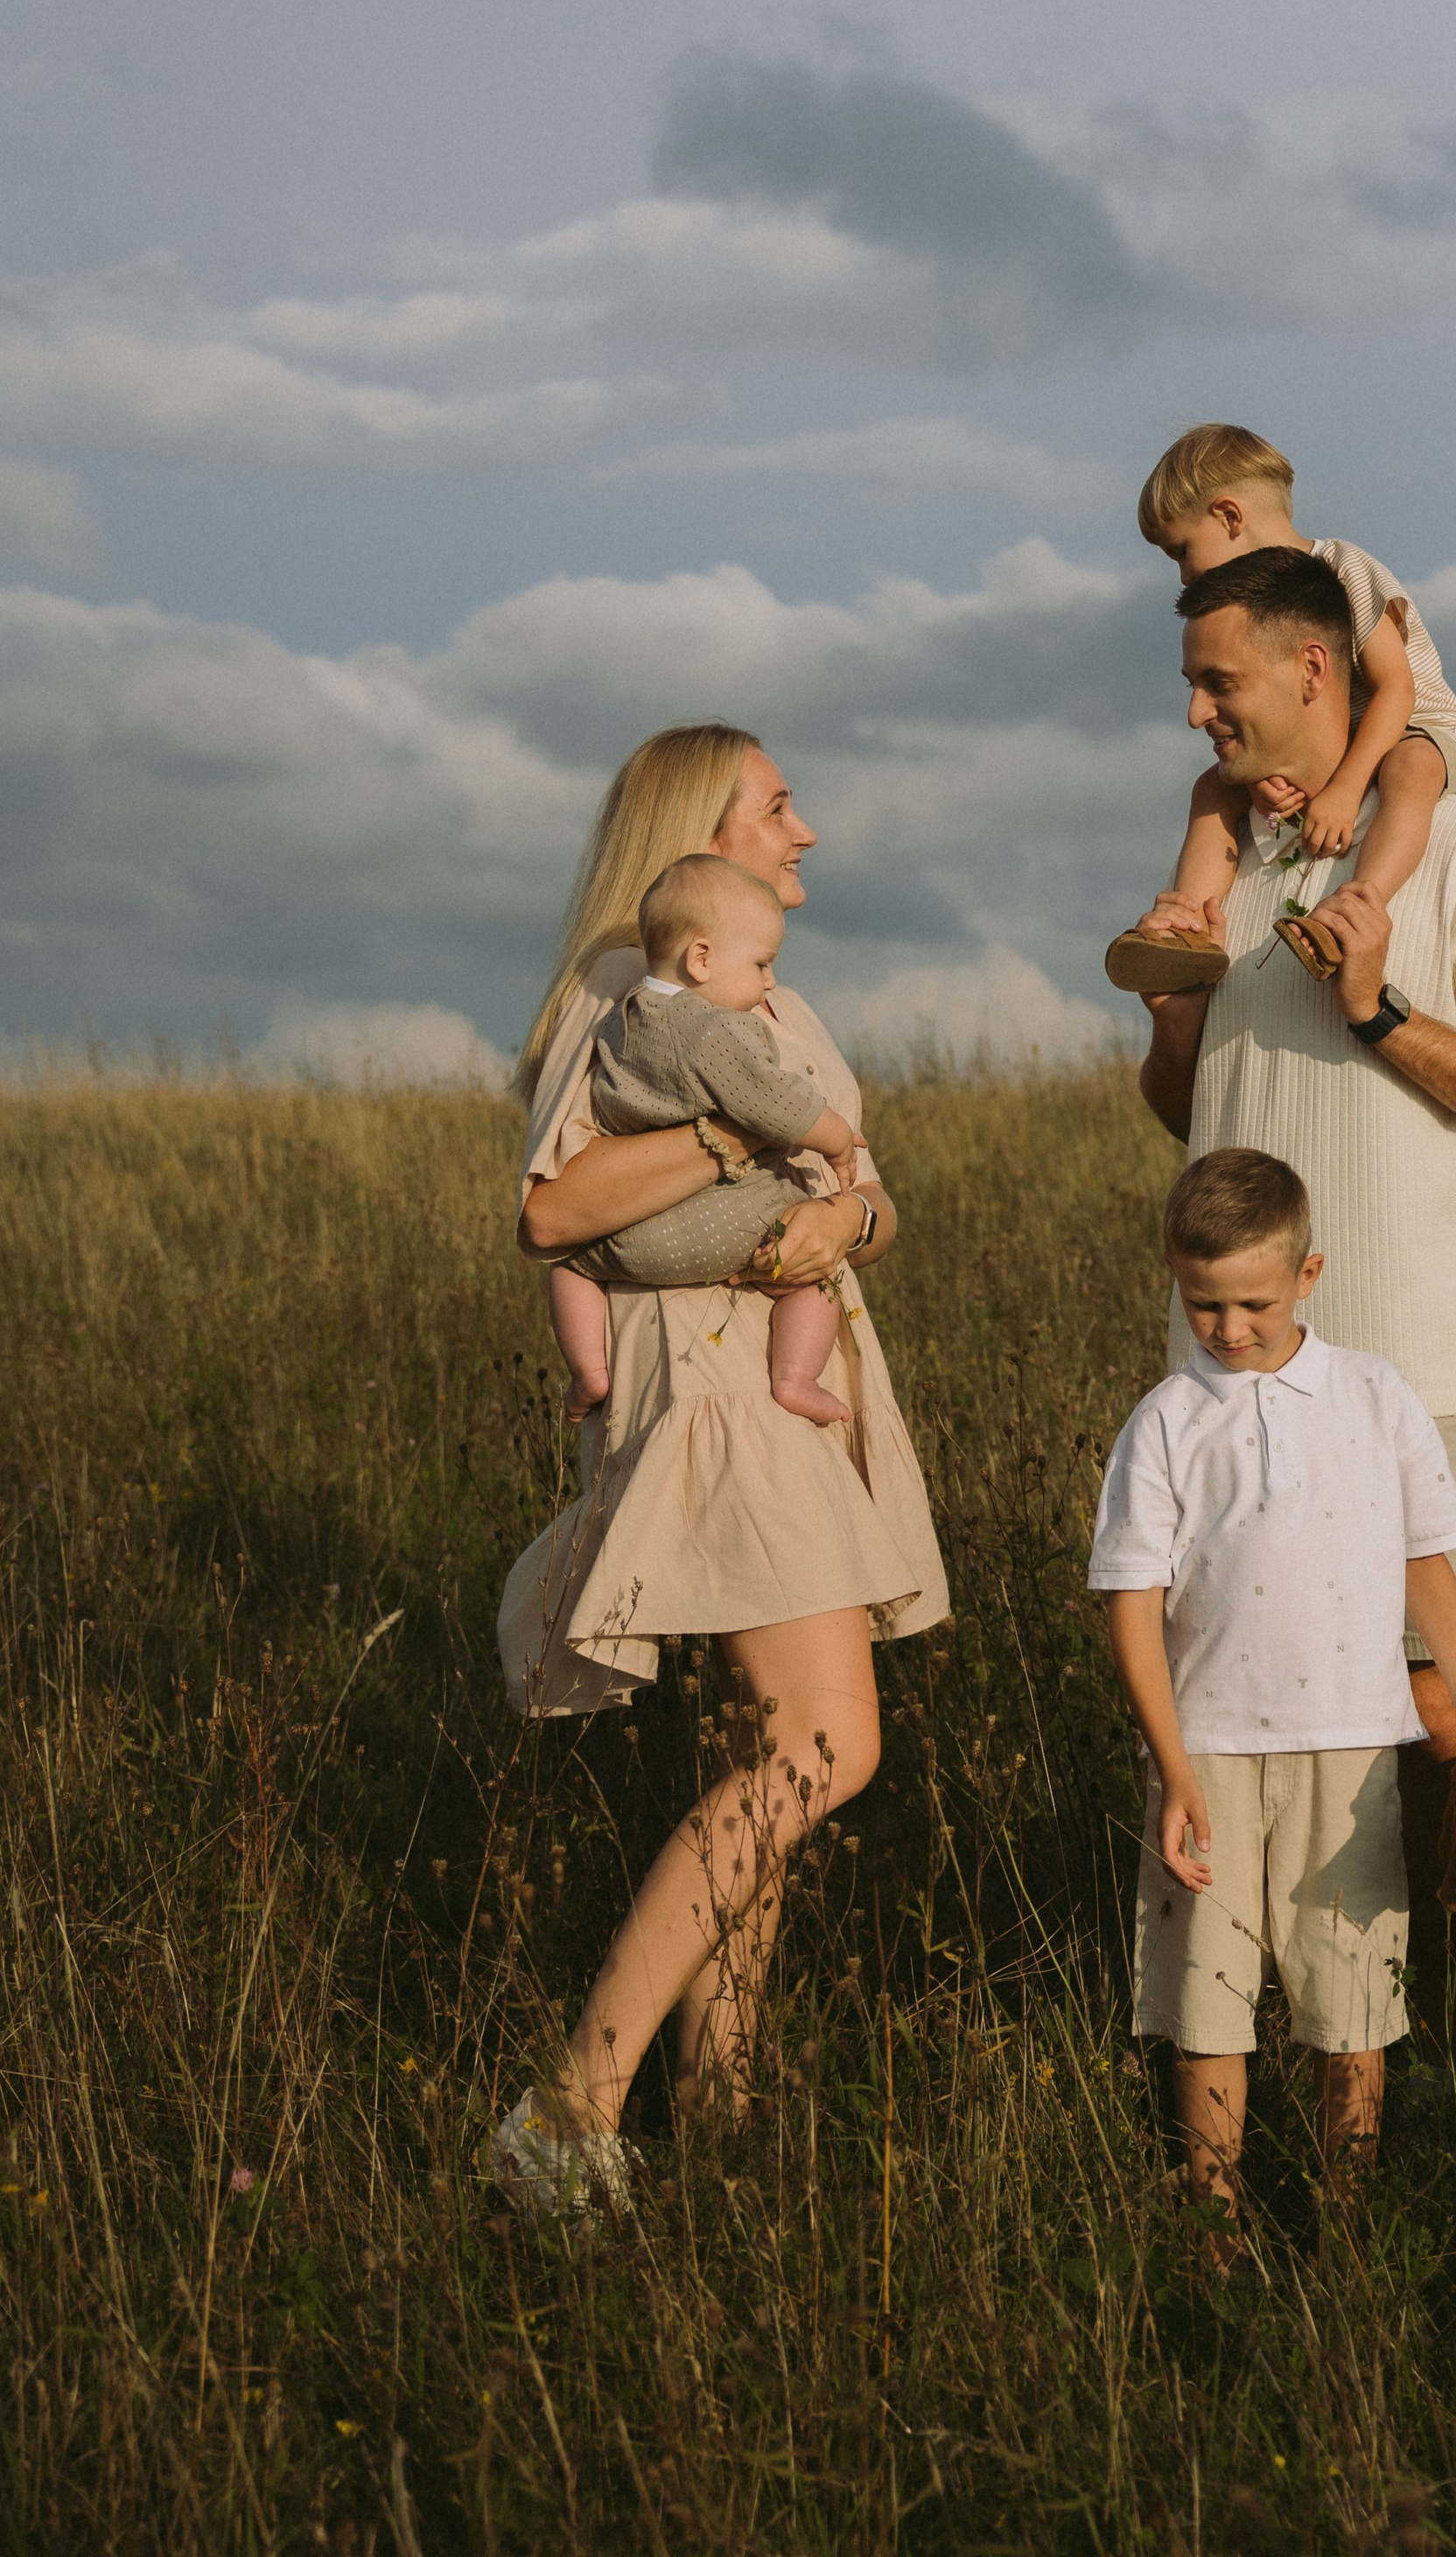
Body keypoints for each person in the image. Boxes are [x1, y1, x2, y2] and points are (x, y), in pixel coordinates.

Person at [1127, 547, 1456, 2048]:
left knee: (1417, 1740)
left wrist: (1380, 1010)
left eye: (1222, 680)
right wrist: (1173, 1007)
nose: (1198, 709)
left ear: (1317, 669)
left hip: (1411, 1377)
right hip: (1232, 1389)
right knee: (1239, 1720)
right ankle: (1249, 2060)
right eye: (1194, 684)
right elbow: (1203, 1114)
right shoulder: (1241, 869)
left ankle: (1446, 2057)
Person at [486, 721, 950, 2217]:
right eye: (778, 806)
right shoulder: (634, 997)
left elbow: (867, 1193)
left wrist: (845, 1225)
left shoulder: (782, 1000)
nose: (804, 831)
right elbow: (558, 1214)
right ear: (703, 833)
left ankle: (725, 2110)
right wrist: (724, 1112)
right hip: (717, 1390)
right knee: (830, 1748)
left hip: (785, 1375)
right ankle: (573, 2101)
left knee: (772, 1755)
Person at [1090, 1149, 1456, 2234]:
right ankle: (1214, 2220)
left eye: (1253, 1303)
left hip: (1355, 1750)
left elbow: (1425, 1554)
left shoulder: (1374, 1394)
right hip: (1210, 1754)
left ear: (1309, 1274)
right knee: (1209, 2002)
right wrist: (1173, 1768)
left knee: (1350, 1995)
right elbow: (1132, 1604)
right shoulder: (1165, 1421)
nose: (1227, 1329)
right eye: (1202, 1304)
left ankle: (1347, 2224)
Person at [1105, 423, 1456, 996]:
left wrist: (1342, 789)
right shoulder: (1259, 609)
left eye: (1182, 551)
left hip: (1422, 729)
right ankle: (1187, 929)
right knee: (1213, 790)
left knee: (1407, 770)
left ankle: (1356, 909)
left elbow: (1396, 690)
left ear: (1231, 517)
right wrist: (1263, 782)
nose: (1183, 575)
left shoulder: (1343, 567)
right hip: (1344, 744)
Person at [546, 853, 868, 1433]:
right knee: (819, 1273)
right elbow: (778, 1107)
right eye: (762, 963)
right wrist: (839, 1139)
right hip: (733, 1226)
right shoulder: (717, 1030)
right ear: (702, 958)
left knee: (568, 1268)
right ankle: (795, 1377)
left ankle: (589, 1371)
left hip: (631, 1239)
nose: (770, 980)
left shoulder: (618, 1023)